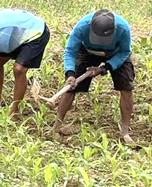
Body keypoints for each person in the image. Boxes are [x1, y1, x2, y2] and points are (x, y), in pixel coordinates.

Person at [55, 10, 135, 143]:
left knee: (126, 87)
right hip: (87, 51)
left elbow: (125, 51)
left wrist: (105, 68)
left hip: (115, 53)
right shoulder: (81, 27)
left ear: (114, 30)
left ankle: (125, 132)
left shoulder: (123, 29)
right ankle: (57, 126)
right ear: (90, 27)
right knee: (70, 88)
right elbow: (70, 51)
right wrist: (70, 73)